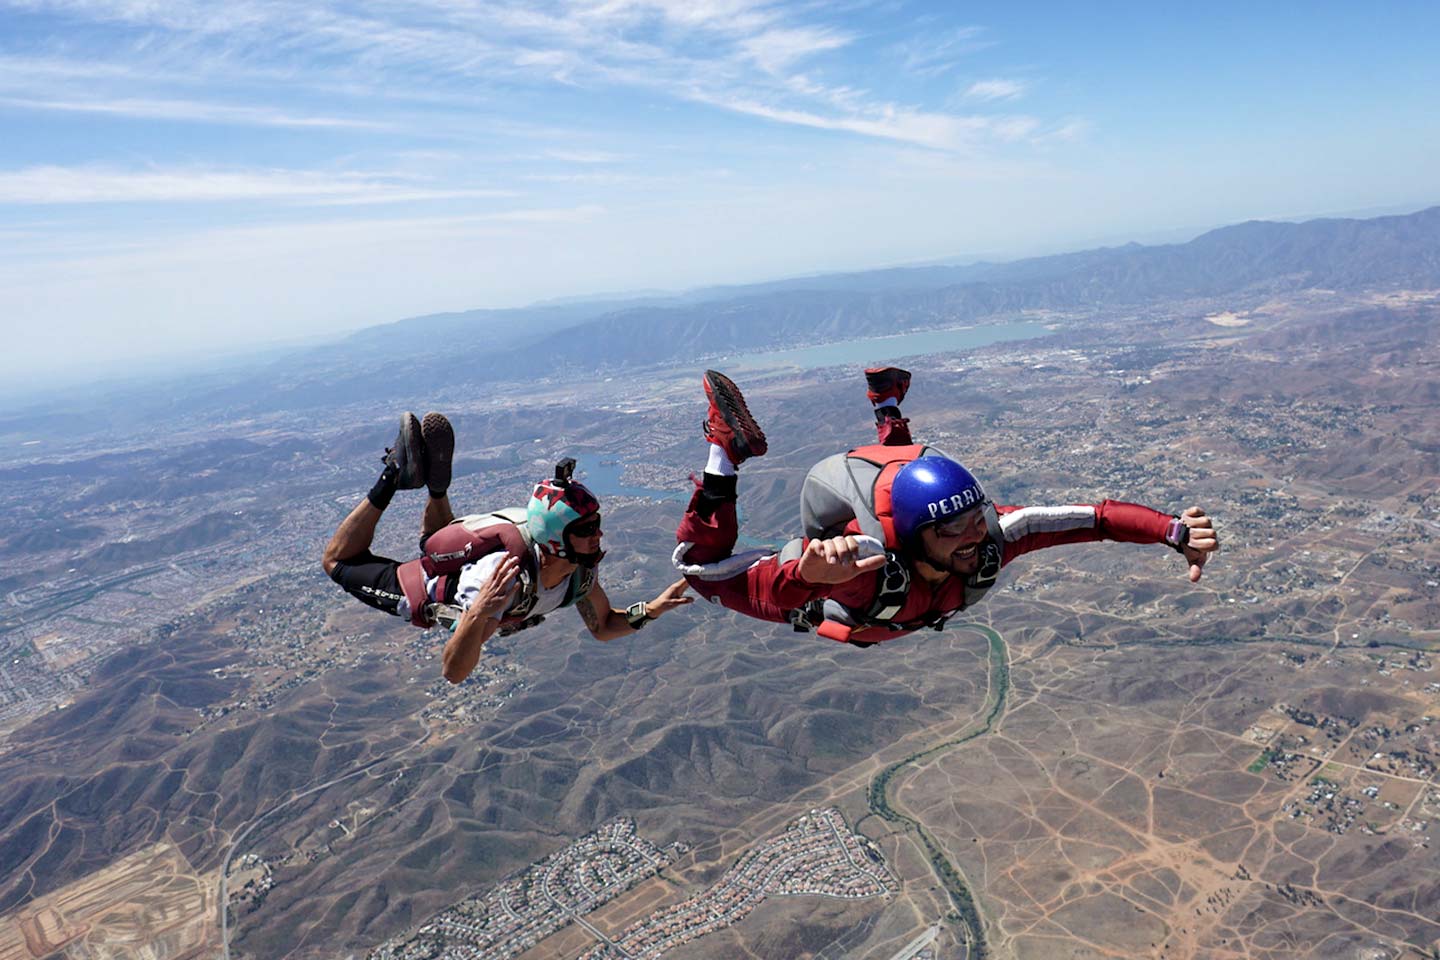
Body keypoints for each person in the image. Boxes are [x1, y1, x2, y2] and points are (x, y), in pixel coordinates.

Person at [673, 369, 1219, 647]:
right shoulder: (860, 571)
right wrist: (808, 574)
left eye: (974, 518)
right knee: (699, 569)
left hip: (887, 584)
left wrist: (1172, 531)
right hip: (846, 590)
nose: (972, 537)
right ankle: (724, 449)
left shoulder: (993, 534)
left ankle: (888, 408)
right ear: (911, 539)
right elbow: (787, 586)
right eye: (951, 528)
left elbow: (1093, 520)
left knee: (911, 483)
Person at [322, 412, 692, 682]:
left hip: (463, 569)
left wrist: (655, 608)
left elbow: (604, 625)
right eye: (587, 528)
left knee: (431, 542)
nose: (598, 535)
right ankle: (392, 472)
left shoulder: (578, 575)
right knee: (337, 561)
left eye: (597, 525)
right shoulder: (502, 582)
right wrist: (478, 611)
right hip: (418, 587)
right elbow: (453, 671)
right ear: (556, 539)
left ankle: (437, 487)